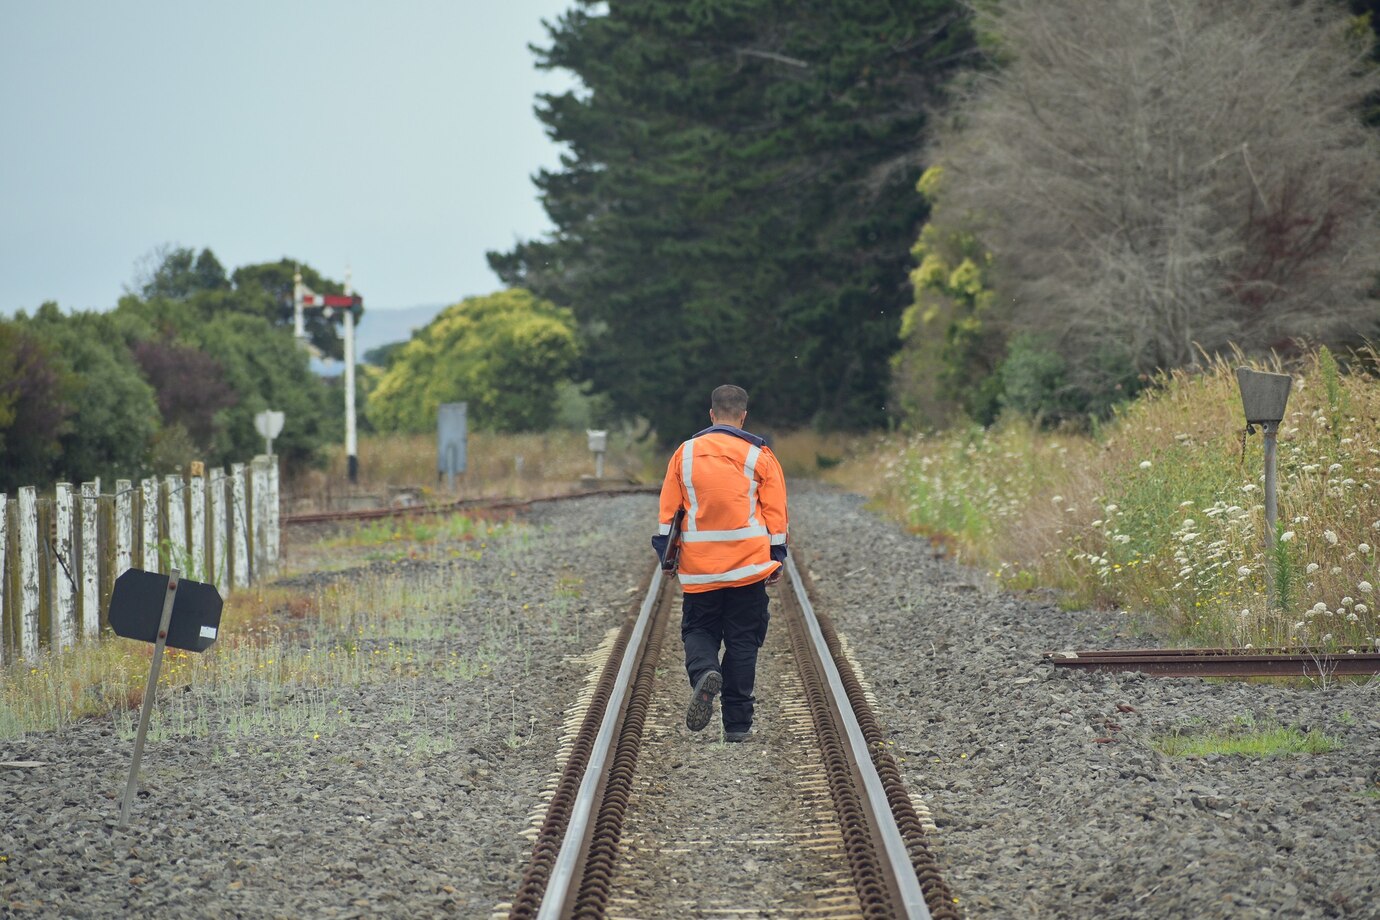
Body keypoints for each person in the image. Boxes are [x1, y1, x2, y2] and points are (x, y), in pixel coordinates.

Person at [652, 384, 789, 742]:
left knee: (699, 631)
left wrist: (666, 558)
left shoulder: (683, 454)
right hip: (748, 567)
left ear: (711, 415)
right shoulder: (759, 456)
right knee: (744, 640)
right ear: (743, 416)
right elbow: (776, 514)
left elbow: (668, 514)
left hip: (700, 569)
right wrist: (776, 558)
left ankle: (704, 673)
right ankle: (738, 726)